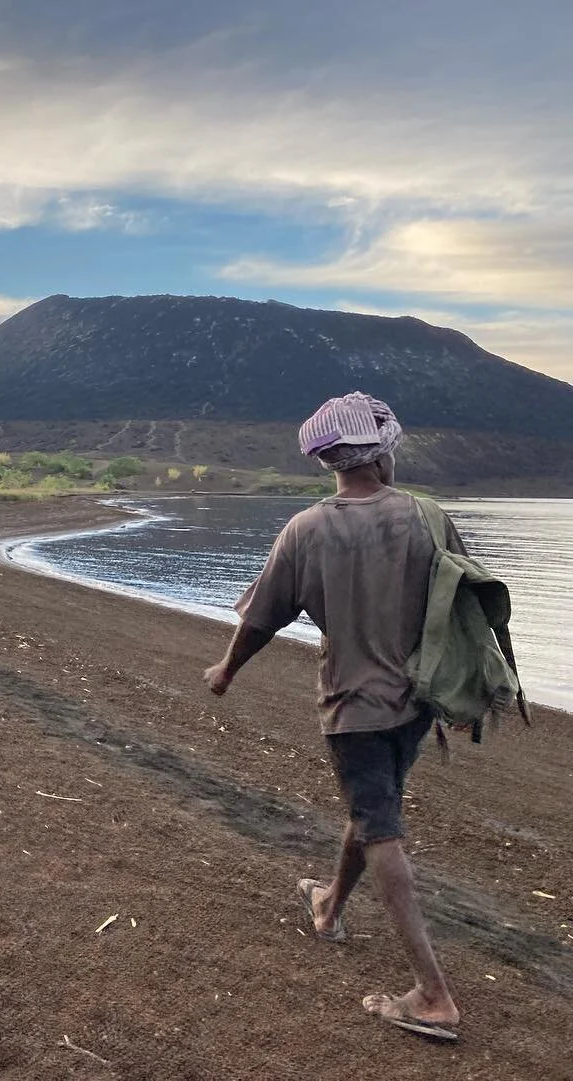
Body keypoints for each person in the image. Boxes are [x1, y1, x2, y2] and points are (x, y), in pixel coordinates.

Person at [202, 392, 462, 1042]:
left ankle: (433, 997)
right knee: (373, 807)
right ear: (382, 453)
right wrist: (462, 698)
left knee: (380, 827)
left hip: (353, 708)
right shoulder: (427, 517)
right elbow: (460, 608)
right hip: (414, 706)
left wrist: (227, 670)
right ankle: (328, 905)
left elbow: (262, 618)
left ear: (328, 461)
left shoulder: (306, 530)